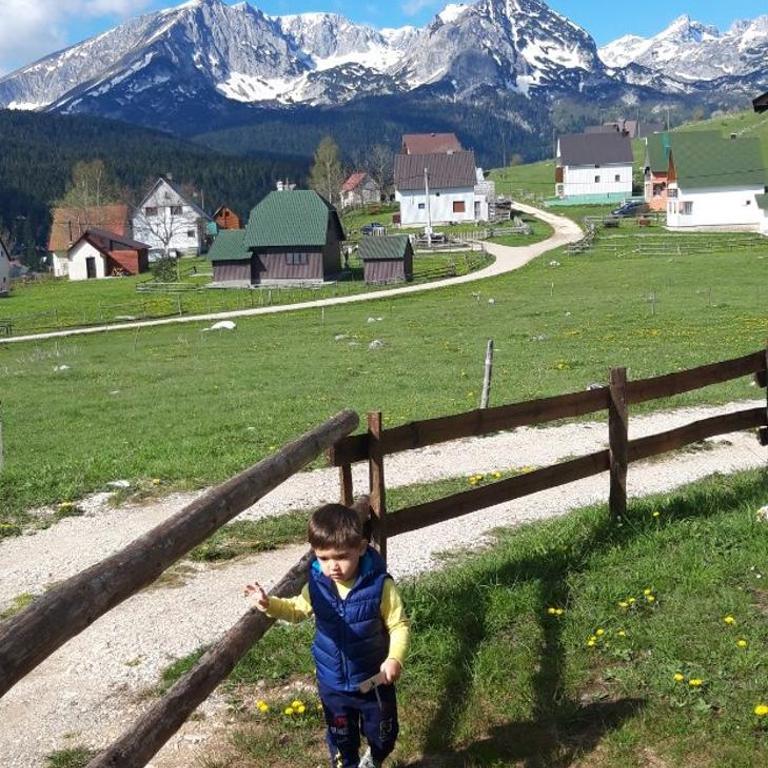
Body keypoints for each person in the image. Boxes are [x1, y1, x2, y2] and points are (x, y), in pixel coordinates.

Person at [245, 503, 410, 768]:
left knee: (384, 736)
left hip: (374, 683)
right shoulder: (318, 587)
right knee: (342, 742)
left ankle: (374, 758)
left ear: (361, 547)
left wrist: (395, 659)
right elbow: (297, 610)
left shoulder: (380, 586)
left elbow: (398, 624)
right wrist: (269, 604)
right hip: (333, 684)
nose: (332, 566)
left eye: (342, 556)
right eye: (323, 558)